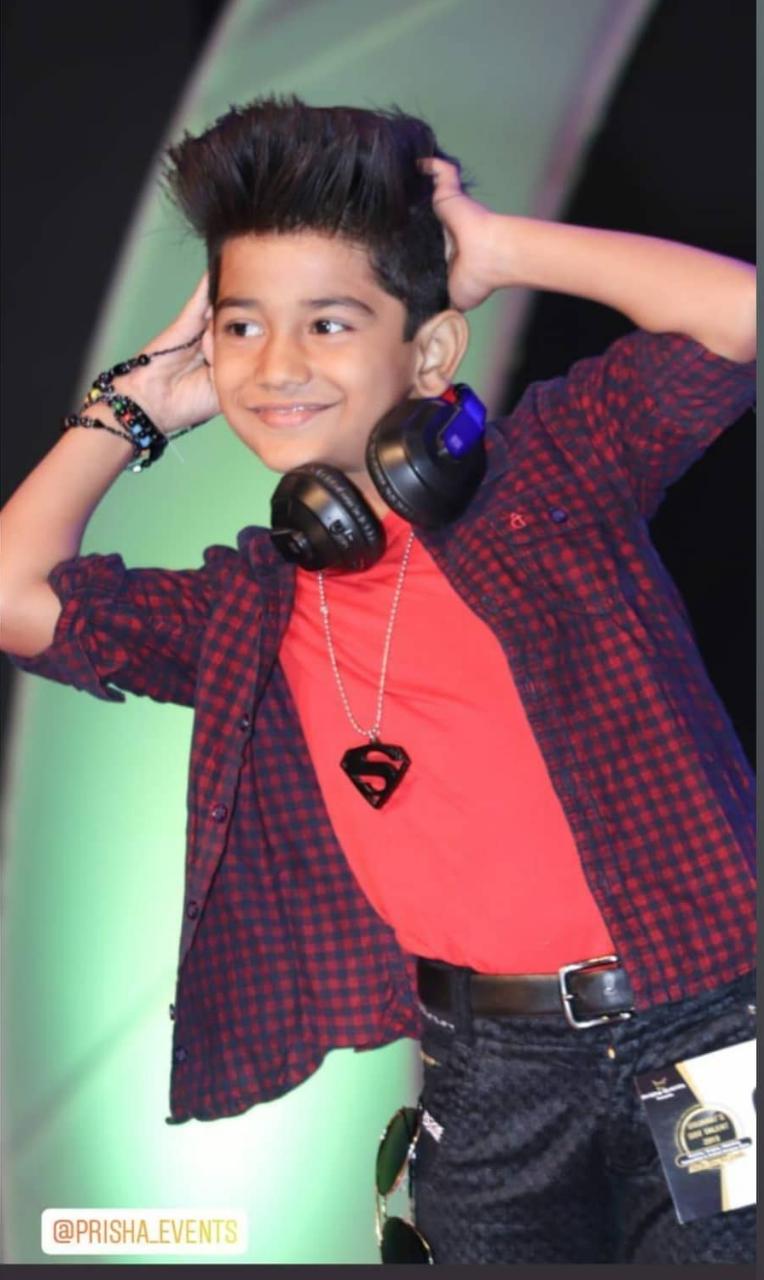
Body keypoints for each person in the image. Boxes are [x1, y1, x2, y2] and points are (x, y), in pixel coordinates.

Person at [0, 95, 755, 1265]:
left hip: (706, 1025)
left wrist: (497, 249)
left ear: (430, 351)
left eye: (328, 322)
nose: (276, 364)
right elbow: (16, 596)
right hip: (488, 1070)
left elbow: (738, 319)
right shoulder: (251, 607)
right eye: (241, 327)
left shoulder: (552, 478)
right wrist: (135, 406)